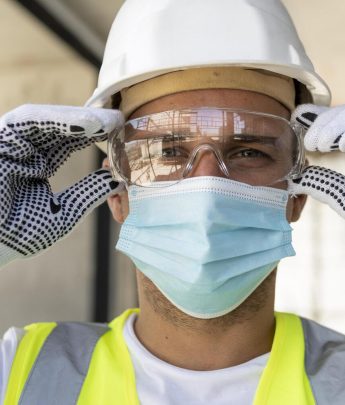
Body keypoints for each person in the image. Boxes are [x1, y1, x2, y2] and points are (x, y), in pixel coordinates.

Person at [1, 0, 345, 404]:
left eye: (249, 151)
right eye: (167, 152)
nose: (207, 186)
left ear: (297, 196)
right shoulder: (17, 371)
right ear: (118, 194)